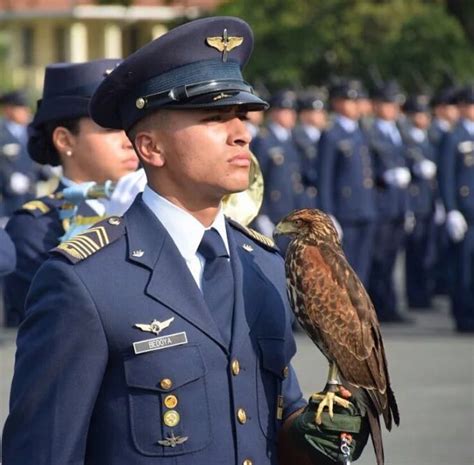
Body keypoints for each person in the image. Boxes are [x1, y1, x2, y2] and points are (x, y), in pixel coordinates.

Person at [2, 17, 367, 465]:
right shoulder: (84, 282)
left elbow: (273, 419)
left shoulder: (264, 262)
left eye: (241, 115)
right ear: (151, 148)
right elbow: (43, 453)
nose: (241, 133)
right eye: (214, 117)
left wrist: (312, 435)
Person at [3, 59, 140, 326]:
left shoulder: (152, 204)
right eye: (112, 128)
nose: (129, 140)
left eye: (131, 126)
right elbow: (64, 323)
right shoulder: (35, 228)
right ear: (65, 140)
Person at [317, 79, 377, 286]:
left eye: (357, 100)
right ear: (338, 103)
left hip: (365, 209)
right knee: (343, 274)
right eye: (350, 100)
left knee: (362, 271)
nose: (356, 105)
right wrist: (328, 214)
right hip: (345, 212)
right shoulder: (331, 135)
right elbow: (324, 178)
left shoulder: (361, 132)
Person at [367, 81, 412, 323]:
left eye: (395, 103)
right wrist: (383, 176)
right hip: (381, 203)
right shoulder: (372, 132)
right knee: (379, 257)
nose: (392, 108)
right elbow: (366, 169)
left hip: (397, 204)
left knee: (392, 257)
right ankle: (380, 306)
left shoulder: (398, 131)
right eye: (388, 103)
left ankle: (391, 305)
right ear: (378, 105)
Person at [438, 84, 474, 333]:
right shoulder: (454, 136)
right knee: (463, 268)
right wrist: (451, 209)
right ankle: (463, 316)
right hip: (464, 211)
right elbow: (447, 176)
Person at [252, 89, 305, 248]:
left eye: (292, 110)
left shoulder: (292, 139)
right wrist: (261, 215)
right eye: (285, 110)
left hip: (292, 211)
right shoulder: (263, 141)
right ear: (274, 112)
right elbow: (257, 180)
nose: (291, 115)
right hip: (273, 213)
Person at [400, 94, 438, 309]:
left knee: (426, 251)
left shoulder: (427, 138)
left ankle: (424, 293)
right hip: (414, 202)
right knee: (414, 253)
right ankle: (414, 295)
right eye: (419, 113)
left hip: (428, 201)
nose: (423, 118)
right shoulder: (406, 138)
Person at [0, 90, 38, 222]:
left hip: (30, 196)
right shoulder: (1, 131)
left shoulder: (31, 130)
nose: (26, 111)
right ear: (8, 109)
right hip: (6, 199)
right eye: (20, 107)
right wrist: (9, 176)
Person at [293, 88, 327, 209]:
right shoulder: (297, 138)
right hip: (305, 197)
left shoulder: (323, 136)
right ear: (304, 114)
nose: (322, 115)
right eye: (316, 112)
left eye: (322, 112)